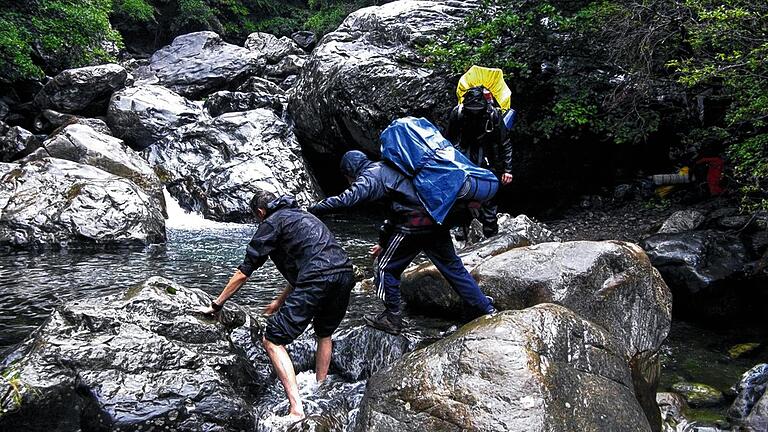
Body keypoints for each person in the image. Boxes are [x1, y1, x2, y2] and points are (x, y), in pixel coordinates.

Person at [198, 190, 354, 421]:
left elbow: (244, 272)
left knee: (272, 339)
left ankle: (297, 409)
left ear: (260, 212)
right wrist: (279, 302)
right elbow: (308, 266)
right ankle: (321, 388)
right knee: (325, 333)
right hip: (344, 273)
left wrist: (217, 304)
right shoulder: (304, 216)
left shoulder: (271, 223)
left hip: (318, 277)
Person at [308, 150, 495, 335]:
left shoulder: (371, 175)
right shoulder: (390, 168)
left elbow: (348, 199)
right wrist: (383, 243)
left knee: (384, 267)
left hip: (413, 224)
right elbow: (393, 215)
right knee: (453, 267)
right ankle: (483, 307)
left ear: (350, 171)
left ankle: (392, 317)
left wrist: (315, 209)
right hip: (435, 219)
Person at [445, 86, 514, 238]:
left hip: (489, 158)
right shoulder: (458, 113)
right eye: (472, 108)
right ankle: (461, 237)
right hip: (463, 158)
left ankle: (491, 236)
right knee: (461, 196)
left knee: (489, 198)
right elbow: (448, 140)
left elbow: (504, 143)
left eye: (478, 108)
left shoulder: (493, 114)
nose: (475, 111)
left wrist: (507, 170)